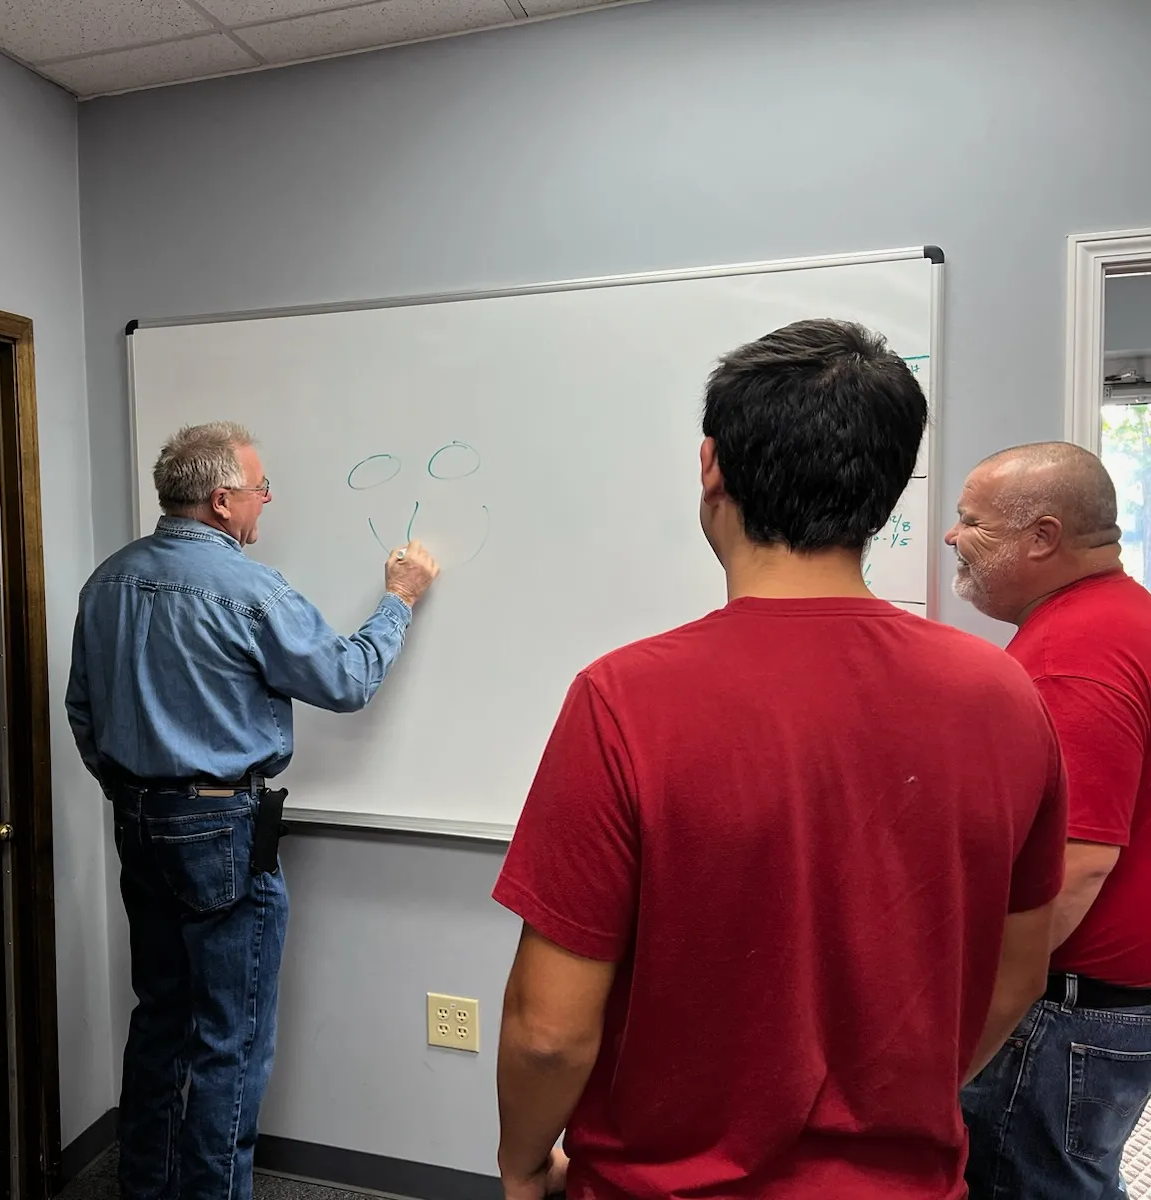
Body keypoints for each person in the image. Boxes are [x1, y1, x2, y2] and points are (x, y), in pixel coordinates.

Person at [492, 319, 1068, 1200]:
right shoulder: (1003, 695)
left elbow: (547, 1031)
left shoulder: (625, 698)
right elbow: (1018, 972)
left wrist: (523, 1164)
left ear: (710, 465)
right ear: (891, 486)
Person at [66, 421, 439, 1200]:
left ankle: (144, 1189)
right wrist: (399, 599)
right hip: (221, 832)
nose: (267, 501)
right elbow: (345, 680)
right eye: (261, 488)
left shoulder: (107, 581)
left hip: (138, 824)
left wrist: (137, 794)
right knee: (228, 1045)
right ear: (223, 498)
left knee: (161, 1021)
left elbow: (84, 714)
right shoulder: (248, 589)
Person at [951, 442, 1151, 1199]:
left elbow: (1078, 860)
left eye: (971, 522)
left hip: (1069, 1013)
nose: (951, 537)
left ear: (1041, 536)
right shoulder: (1118, 617)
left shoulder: (1078, 650)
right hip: (1104, 1008)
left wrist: (983, 1000)